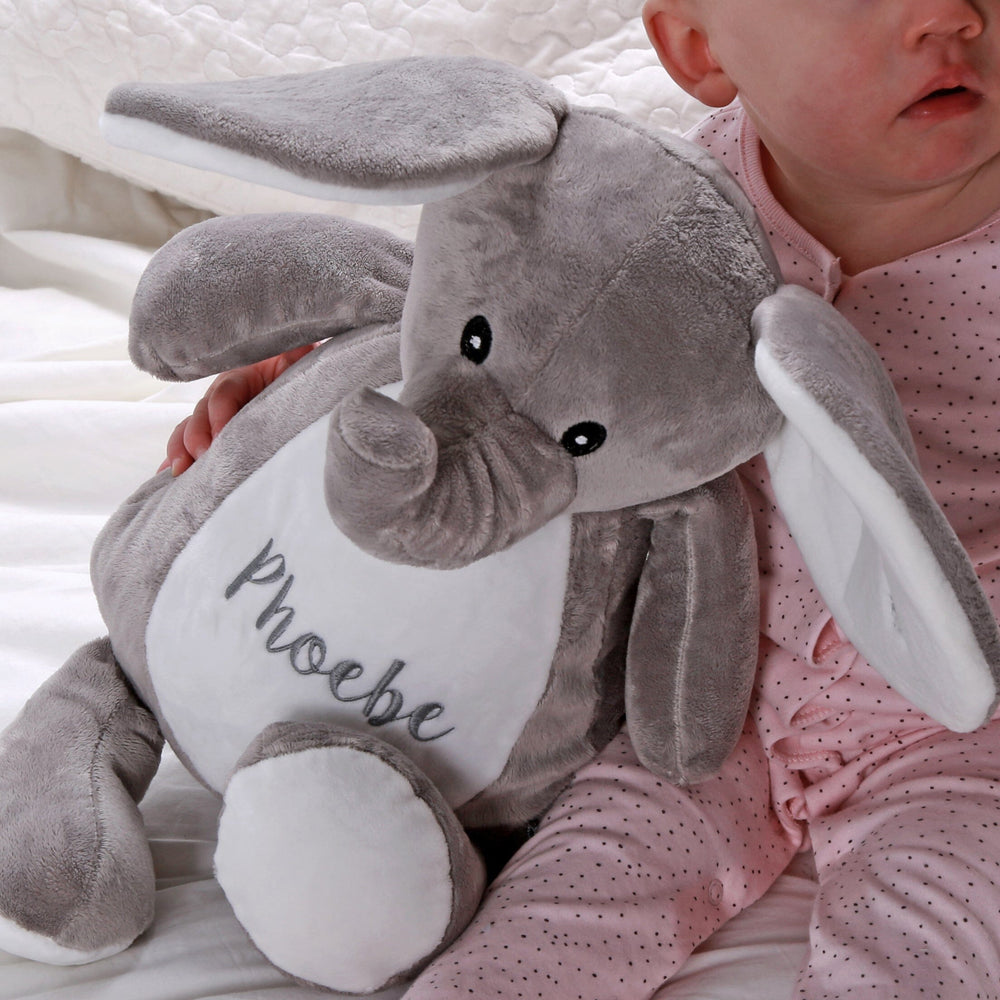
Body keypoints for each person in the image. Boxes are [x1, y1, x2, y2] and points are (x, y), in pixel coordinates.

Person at [162, 1, 1000, 996]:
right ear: (699, 49)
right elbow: (489, 357)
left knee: (927, 944)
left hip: (955, 729)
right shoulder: (649, 212)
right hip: (692, 694)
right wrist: (309, 394)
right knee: (546, 929)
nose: (952, 15)